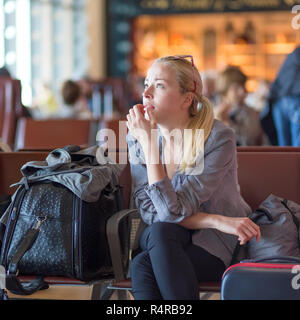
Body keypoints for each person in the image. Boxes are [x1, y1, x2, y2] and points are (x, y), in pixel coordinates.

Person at [125, 55, 260, 300]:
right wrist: (216, 220)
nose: (146, 93)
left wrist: (149, 145)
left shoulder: (217, 138)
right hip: (167, 235)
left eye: (159, 85)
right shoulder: (138, 136)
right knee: (159, 233)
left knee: (142, 264)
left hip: (212, 243)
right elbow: (151, 210)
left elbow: (169, 212)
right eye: (146, 83)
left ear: (187, 99)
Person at [214, 66, 264, 146]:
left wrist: (228, 124)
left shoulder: (252, 114)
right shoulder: (213, 112)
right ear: (225, 90)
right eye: (236, 88)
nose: (242, 92)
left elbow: (248, 142)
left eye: (243, 87)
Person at [263, 46, 300, 146]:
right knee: (296, 150)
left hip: (278, 101)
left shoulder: (295, 53)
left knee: (284, 149)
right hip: (294, 100)